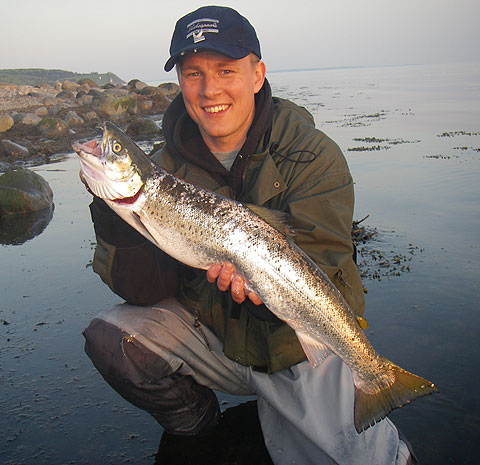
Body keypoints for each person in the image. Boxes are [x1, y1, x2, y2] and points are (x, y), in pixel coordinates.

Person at [83, 6, 416, 465]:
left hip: (294, 343)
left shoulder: (312, 155)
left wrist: (261, 292)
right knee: (115, 336)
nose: (209, 88)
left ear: (257, 75)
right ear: (180, 82)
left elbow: (321, 262)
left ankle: (369, 383)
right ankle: (203, 429)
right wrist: (110, 210)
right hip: (215, 334)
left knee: (369, 462)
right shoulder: (163, 171)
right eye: (193, 72)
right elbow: (142, 291)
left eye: (226, 70)